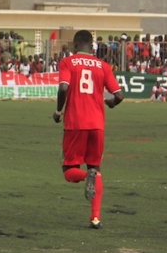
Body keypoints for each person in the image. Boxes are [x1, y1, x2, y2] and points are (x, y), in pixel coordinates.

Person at [53, 30, 124, 228]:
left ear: (75, 46)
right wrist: (110, 103)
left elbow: (63, 88)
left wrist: (58, 112)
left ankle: (86, 176)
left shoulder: (68, 62)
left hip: (76, 123)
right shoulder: (103, 66)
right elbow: (119, 96)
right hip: (97, 126)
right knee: (96, 168)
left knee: (69, 169)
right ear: (92, 46)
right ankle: (95, 218)